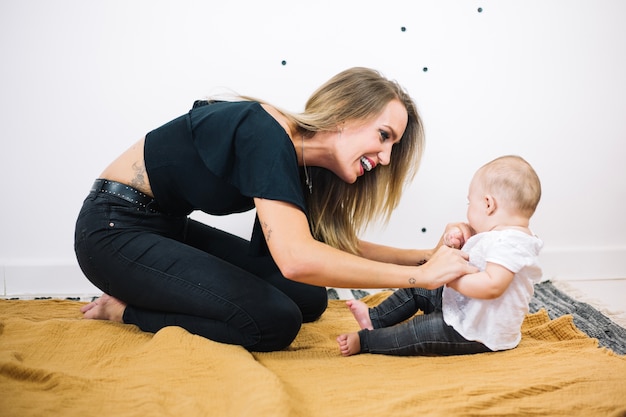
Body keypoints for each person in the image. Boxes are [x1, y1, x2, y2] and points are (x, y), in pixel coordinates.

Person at [75, 67, 478, 352]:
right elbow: (297, 258)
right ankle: (125, 310)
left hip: (165, 228)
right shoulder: (265, 132)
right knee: (273, 322)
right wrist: (419, 278)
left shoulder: (302, 163)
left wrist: (430, 256)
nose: (387, 158)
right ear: (344, 114)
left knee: (308, 299)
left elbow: (330, 245)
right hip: (112, 230)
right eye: (384, 135)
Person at [337, 155, 543, 356]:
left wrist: (451, 280)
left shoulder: (510, 243)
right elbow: (476, 262)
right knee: (418, 288)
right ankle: (376, 318)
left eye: (469, 203)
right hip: (465, 308)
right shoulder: (500, 237)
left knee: (420, 330)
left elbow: (492, 286)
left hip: (477, 331)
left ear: (488, 204)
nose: (468, 210)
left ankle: (365, 341)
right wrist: (458, 244)